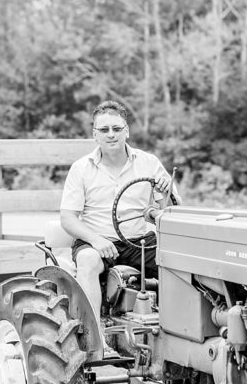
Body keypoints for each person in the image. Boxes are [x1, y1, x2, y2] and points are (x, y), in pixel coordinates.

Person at [60, 99, 176, 338]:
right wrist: (96, 240)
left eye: (116, 128)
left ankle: (172, 328)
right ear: (95, 134)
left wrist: (165, 194)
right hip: (96, 241)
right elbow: (68, 218)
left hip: (138, 241)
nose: (110, 134)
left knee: (176, 262)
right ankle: (94, 335)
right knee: (89, 261)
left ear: (127, 131)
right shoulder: (81, 168)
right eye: (103, 130)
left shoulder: (149, 163)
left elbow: (171, 212)